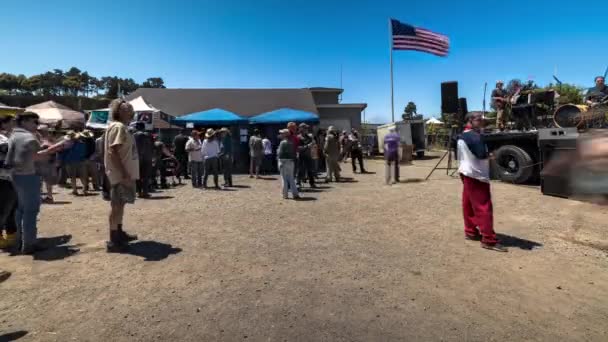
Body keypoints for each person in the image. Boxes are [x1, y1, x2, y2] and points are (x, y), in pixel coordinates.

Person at [457, 113, 507, 252]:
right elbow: (481, 155)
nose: (482, 122)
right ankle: (489, 240)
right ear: (470, 121)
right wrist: (492, 155)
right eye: (478, 120)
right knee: (483, 207)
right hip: (477, 175)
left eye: (482, 120)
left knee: (468, 205)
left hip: (466, 172)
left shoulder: (462, 135)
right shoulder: (475, 137)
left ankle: (470, 231)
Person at [5, 112, 54, 254]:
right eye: (35, 122)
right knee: (30, 210)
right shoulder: (27, 137)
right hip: (28, 176)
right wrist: (54, 148)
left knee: (21, 209)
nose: (37, 125)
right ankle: (29, 244)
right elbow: (35, 158)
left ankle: (21, 240)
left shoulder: (14, 135)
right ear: (25, 121)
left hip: (16, 176)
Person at [104, 100, 140, 252]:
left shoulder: (122, 127)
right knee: (117, 206)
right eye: (126, 109)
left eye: (131, 108)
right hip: (121, 175)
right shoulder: (118, 127)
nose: (130, 111)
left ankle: (119, 232)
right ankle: (114, 240)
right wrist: (124, 172)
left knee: (121, 204)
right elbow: (113, 151)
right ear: (118, 111)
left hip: (124, 174)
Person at [0, 115, 18, 249]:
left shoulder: (6, 138)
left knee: (10, 208)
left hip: (8, 178)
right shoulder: (3, 140)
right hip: (4, 179)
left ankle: (11, 235)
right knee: (5, 208)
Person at [59, 131, 89, 196]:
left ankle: (75, 190)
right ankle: (84, 190)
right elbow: (84, 153)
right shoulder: (82, 143)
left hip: (70, 162)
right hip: (81, 161)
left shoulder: (68, 144)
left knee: (72, 177)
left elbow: (63, 153)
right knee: (83, 176)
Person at [36, 125, 58, 203]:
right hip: (43, 163)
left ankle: (49, 196)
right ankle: (46, 196)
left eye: (40, 130)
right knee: (42, 181)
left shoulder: (48, 139)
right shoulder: (42, 139)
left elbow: (54, 150)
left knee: (46, 181)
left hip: (46, 163)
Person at [277, 129, 300, 200]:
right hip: (291, 161)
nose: (280, 134)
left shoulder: (282, 143)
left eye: (282, 133)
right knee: (291, 179)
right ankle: (295, 194)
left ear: (285, 135)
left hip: (283, 161)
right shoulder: (291, 142)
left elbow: (279, 154)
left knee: (284, 179)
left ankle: (285, 195)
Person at [133, 122, 154, 198]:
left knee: (137, 176)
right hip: (147, 158)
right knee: (145, 176)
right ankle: (145, 192)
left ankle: (139, 192)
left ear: (137, 127)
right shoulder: (149, 135)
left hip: (137, 158)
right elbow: (152, 147)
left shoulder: (134, 135)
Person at [297, 123, 316, 188]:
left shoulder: (309, 137)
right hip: (301, 156)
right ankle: (298, 183)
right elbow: (298, 148)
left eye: (307, 128)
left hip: (308, 155)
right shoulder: (298, 137)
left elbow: (312, 145)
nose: (307, 129)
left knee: (310, 170)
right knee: (300, 170)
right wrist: (307, 146)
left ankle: (312, 183)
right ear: (301, 129)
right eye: (305, 128)